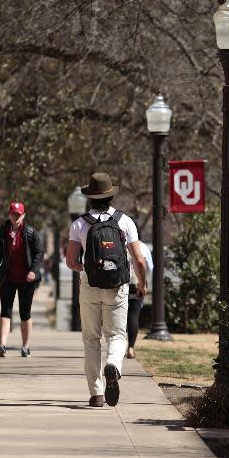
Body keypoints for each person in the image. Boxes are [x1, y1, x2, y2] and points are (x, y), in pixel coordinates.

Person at [66, 172, 146, 407]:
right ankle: (113, 365)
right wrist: (142, 283)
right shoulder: (125, 221)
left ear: (90, 198)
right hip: (118, 286)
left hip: (89, 285)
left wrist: (87, 269)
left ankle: (97, 393)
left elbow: (71, 261)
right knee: (117, 335)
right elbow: (139, 260)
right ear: (110, 196)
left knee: (91, 339)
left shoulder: (79, 224)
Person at [0, 201, 44, 358]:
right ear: (9, 215)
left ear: (23, 215)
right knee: (5, 311)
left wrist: (33, 271)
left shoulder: (31, 232)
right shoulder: (3, 232)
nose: (15, 217)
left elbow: (39, 253)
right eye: (13, 214)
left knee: (25, 313)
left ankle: (25, 347)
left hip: (26, 280)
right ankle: (2, 345)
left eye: (18, 214)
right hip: (8, 278)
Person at [127, 235, 153, 359]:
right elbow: (150, 267)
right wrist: (144, 281)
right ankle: (131, 348)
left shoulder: (119, 244)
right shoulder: (143, 247)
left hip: (120, 285)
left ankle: (118, 348)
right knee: (133, 316)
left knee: (120, 318)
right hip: (137, 285)